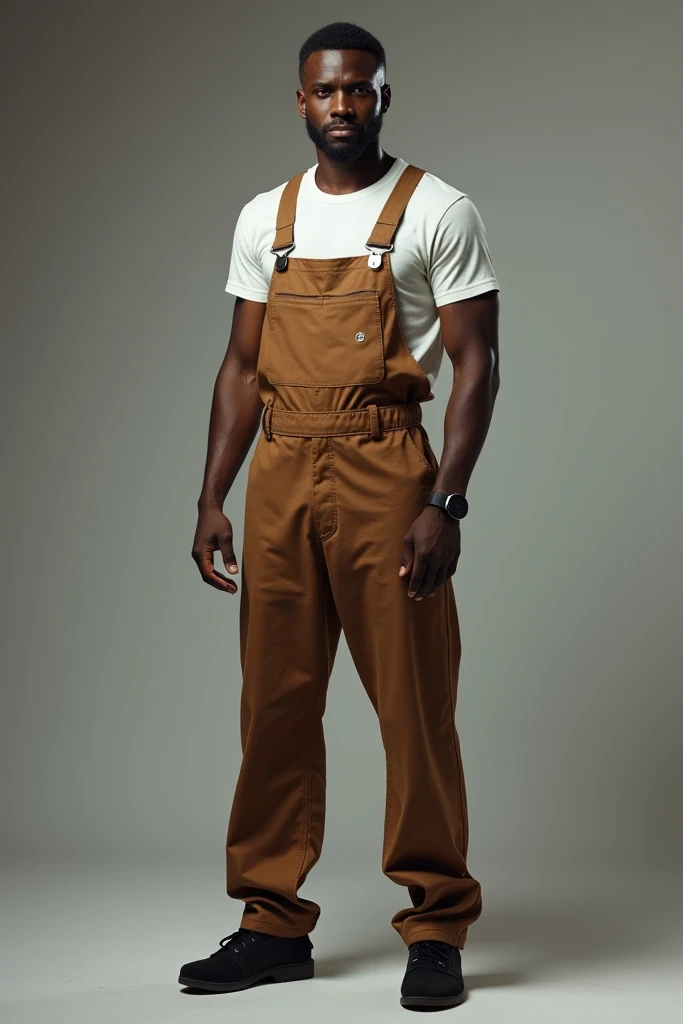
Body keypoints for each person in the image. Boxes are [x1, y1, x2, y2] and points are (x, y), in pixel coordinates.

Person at [180, 20, 500, 1010]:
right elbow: (241, 366)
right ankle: (272, 924)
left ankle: (437, 921)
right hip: (279, 468)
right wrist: (211, 496)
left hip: (385, 465)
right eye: (325, 92)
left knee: (412, 705)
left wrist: (444, 499)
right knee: (274, 700)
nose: (342, 107)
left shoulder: (436, 210)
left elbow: (479, 363)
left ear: (383, 95)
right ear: (301, 101)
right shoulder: (264, 218)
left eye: (359, 90)